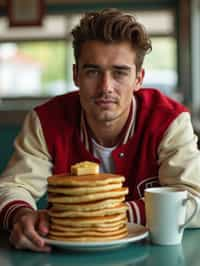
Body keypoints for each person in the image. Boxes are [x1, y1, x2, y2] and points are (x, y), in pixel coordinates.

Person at [0, 8, 200, 252]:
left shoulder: (169, 120)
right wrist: (21, 215)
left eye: (120, 73)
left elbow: (194, 199)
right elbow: (13, 186)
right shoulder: (46, 120)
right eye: (93, 72)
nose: (106, 87)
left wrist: (100, 216)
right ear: (76, 75)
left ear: (139, 78)